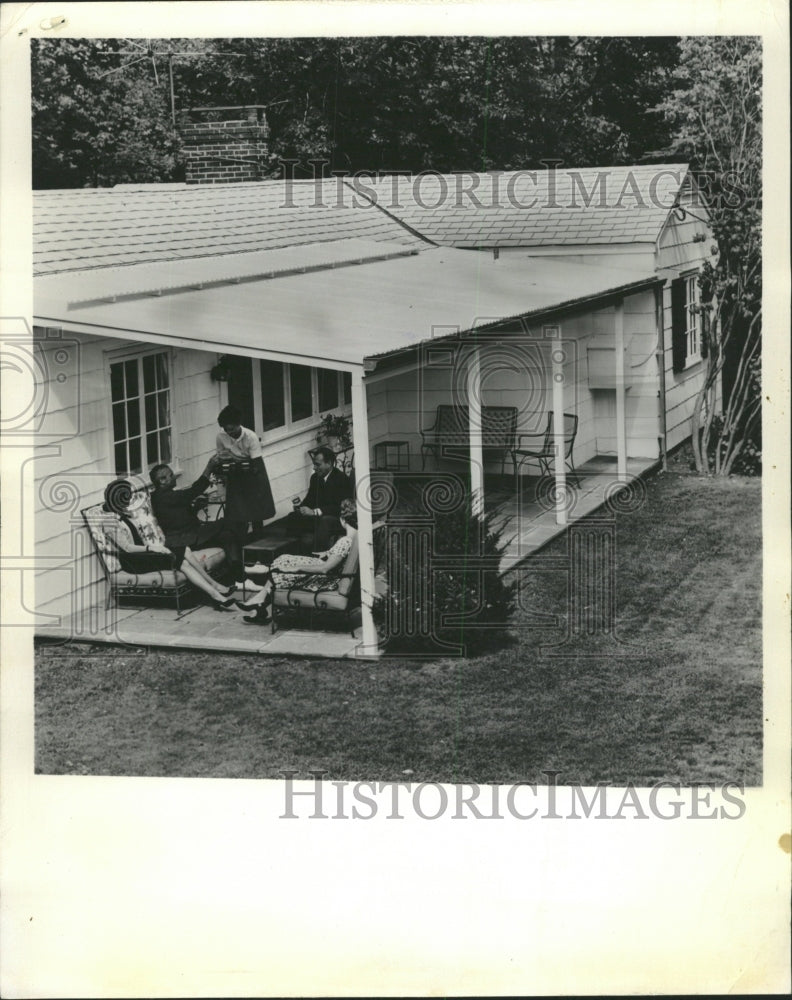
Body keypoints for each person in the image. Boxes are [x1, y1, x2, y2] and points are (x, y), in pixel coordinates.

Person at [101, 479, 236, 611]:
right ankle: (215, 594)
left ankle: (214, 587)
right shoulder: (109, 522)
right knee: (181, 562)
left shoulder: (120, 514)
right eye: (124, 499)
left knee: (185, 550)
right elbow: (127, 548)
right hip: (134, 562)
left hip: (142, 555)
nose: (128, 502)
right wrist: (152, 548)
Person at [238, 499, 358, 625]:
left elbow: (325, 568)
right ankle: (260, 604)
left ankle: (260, 597)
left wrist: (297, 568)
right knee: (284, 559)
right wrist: (328, 553)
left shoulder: (345, 541)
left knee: (282, 564)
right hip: (333, 576)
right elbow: (337, 558)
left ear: (342, 520)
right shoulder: (355, 538)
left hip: (326, 579)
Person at [150, 458, 248, 585]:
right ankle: (241, 573)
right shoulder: (163, 497)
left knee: (227, 536)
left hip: (191, 534)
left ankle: (239, 575)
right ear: (162, 481)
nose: (174, 477)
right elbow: (193, 491)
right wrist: (209, 466)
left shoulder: (164, 495)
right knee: (229, 522)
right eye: (171, 475)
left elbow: (176, 517)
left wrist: (196, 507)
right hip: (184, 540)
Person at [214, 404, 275, 535]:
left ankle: (259, 539)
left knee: (255, 511)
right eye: (226, 429)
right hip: (234, 473)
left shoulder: (250, 436)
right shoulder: (221, 437)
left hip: (253, 471)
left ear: (238, 424)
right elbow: (222, 456)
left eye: (231, 429)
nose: (229, 432)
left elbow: (256, 463)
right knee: (238, 512)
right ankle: (241, 540)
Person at [290, 445, 354, 552]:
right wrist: (301, 508)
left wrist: (315, 512)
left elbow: (340, 507)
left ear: (328, 463)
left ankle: (319, 554)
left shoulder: (341, 479)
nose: (314, 468)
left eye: (317, 464)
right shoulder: (315, 478)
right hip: (319, 516)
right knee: (293, 517)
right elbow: (310, 499)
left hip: (337, 518)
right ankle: (293, 552)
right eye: (314, 464)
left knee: (325, 521)